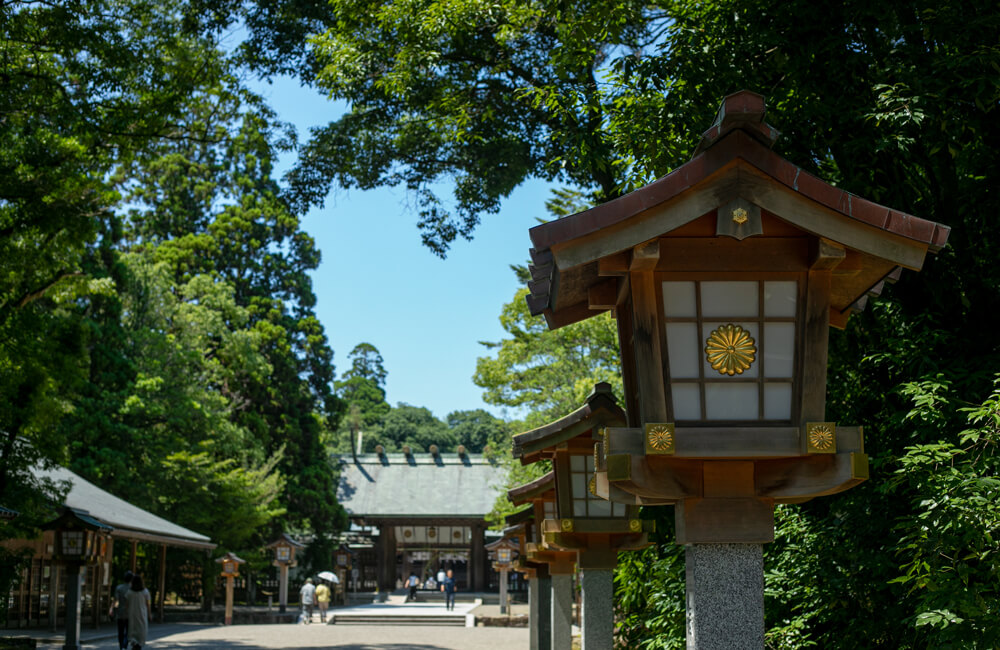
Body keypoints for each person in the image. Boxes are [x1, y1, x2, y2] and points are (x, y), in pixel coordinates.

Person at [108, 570, 133, 650]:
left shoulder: (119, 588)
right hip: (130, 613)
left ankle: (121, 646)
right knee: (129, 631)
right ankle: (125, 645)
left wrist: (111, 608)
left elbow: (116, 600)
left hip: (120, 612)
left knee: (120, 631)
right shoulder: (133, 589)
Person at [125, 574, 150, 650]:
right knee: (141, 631)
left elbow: (127, 604)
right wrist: (149, 614)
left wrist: (126, 613)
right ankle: (138, 644)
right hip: (142, 614)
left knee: (132, 631)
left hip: (132, 614)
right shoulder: (145, 592)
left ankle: (134, 644)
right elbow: (148, 604)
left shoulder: (129, 592)